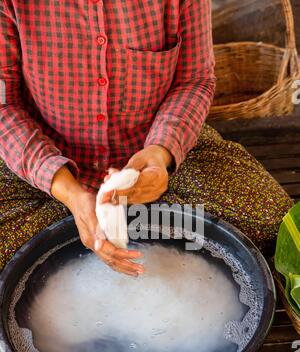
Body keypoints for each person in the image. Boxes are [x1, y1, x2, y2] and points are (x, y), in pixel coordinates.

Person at [0, 0, 293, 276]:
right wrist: (71, 194)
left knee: (275, 223)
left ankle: (87, 227)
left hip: (158, 148)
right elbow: (4, 104)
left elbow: (195, 80)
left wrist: (159, 154)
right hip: (44, 164)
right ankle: (104, 219)